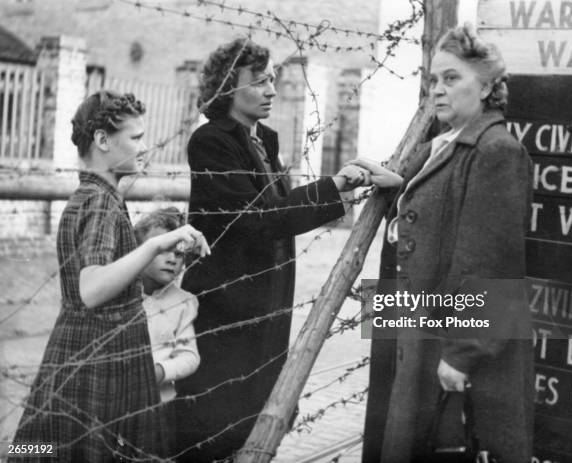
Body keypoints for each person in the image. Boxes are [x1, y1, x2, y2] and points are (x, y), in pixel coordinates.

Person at [175, 38, 367, 461]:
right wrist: (332, 187)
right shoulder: (211, 142)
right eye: (259, 82)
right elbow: (258, 221)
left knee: (254, 424)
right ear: (228, 88)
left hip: (265, 308)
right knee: (210, 431)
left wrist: (332, 188)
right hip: (226, 313)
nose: (272, 91)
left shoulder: (262, 141)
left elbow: (274, 212)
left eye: (273, 80)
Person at [352, 24, 534, 463]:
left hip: (460, 345)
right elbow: (447, 208)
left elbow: (489, 265)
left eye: (452, 78)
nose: (437, 90)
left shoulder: (496, 151)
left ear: (487, 85)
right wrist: (404, 185)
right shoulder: (446, 144)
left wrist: (459, 354)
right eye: (433, 79)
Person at [10, 91, 209, 462]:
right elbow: (92, 288)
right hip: (102, 354)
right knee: (89, 450)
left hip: (77, 346)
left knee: (44, 446)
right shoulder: (100, 202)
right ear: (102, 140)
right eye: (135, 138)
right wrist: (155, 245)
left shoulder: (89, 196)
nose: (145, 146)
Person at [134, 207, 201, 457]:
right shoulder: (121, 295)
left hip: (159, 405)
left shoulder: (183, 302)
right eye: (163, 250)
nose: (173, 259)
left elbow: (189, 355)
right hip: (114, 402)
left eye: (180, 254)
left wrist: (161, 371)